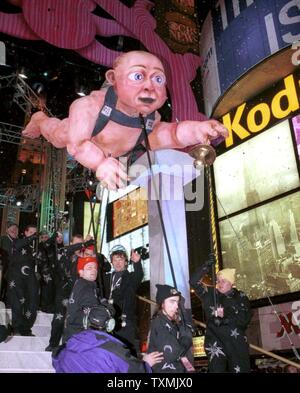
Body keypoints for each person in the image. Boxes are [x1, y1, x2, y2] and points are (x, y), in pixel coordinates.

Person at [23, 51, 228, 190]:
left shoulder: (150, 119)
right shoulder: (88, 107)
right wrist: (100, 163)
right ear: (113, 79)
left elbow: (171, 134)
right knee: (58, 136)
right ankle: (40, 119)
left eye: (158, 79)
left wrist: (196, 130)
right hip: (87, 139)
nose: (150, 86)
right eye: (138, 76)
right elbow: (79, 145)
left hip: (118, 153)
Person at [52, 303, 164, 373]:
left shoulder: (67, 346)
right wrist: (145, 364)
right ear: (110, 325)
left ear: (85, 322)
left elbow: (55, 358)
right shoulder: (115, 351)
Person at [190, 260, 252, 373]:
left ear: (231, 282)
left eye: (223, 281)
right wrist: (206, 266)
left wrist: (226, 319)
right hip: (215, 342)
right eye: (218, 281)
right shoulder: (210, 294)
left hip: (235, 342)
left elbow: (245, 319)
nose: (219, 283)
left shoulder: (240, 297)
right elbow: (193, 281)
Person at [102, 244, 143, 354]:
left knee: (128, 354)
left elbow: (139, 275)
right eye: (115, 259)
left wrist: (137, 263)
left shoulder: (130, 278)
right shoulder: (107, 278)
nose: (118, 262)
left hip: (126, 323)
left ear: (126, 262)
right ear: (111, 262)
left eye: (121, 259)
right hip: (109, 322)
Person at [147, 284, 194, 373]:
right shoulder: (159, 323)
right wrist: (186, 336)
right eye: (172, 302)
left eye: (177, 302)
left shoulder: (173, 324)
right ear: (162, 304)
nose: (176, 306)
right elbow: (172, 353)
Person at [7, 225, 39, 336]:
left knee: (32, 302)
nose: (34, 235)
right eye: (31, 232)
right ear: (25, 232)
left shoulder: (35, 247)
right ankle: (16, 327)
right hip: (17, 278)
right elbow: (17, 245)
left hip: (29, 279)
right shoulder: (18, 241)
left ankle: (26, 327)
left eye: (35, 233)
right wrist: (31, 238)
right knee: (17, 302)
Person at [62, 256, 101, 343]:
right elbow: (94, 312)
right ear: (81, 272)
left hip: (72, 335)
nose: (93, 270)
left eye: (95, 268)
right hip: (79, 336)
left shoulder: (82, 284)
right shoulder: (85, 287)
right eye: (89, 268)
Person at [0, 222, 19, 304]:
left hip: (15, 269)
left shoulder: (19, 241)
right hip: (4, 266)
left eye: (16, 229)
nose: (14, 231)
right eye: (12, 229)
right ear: (7, 230)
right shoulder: (3, 239)